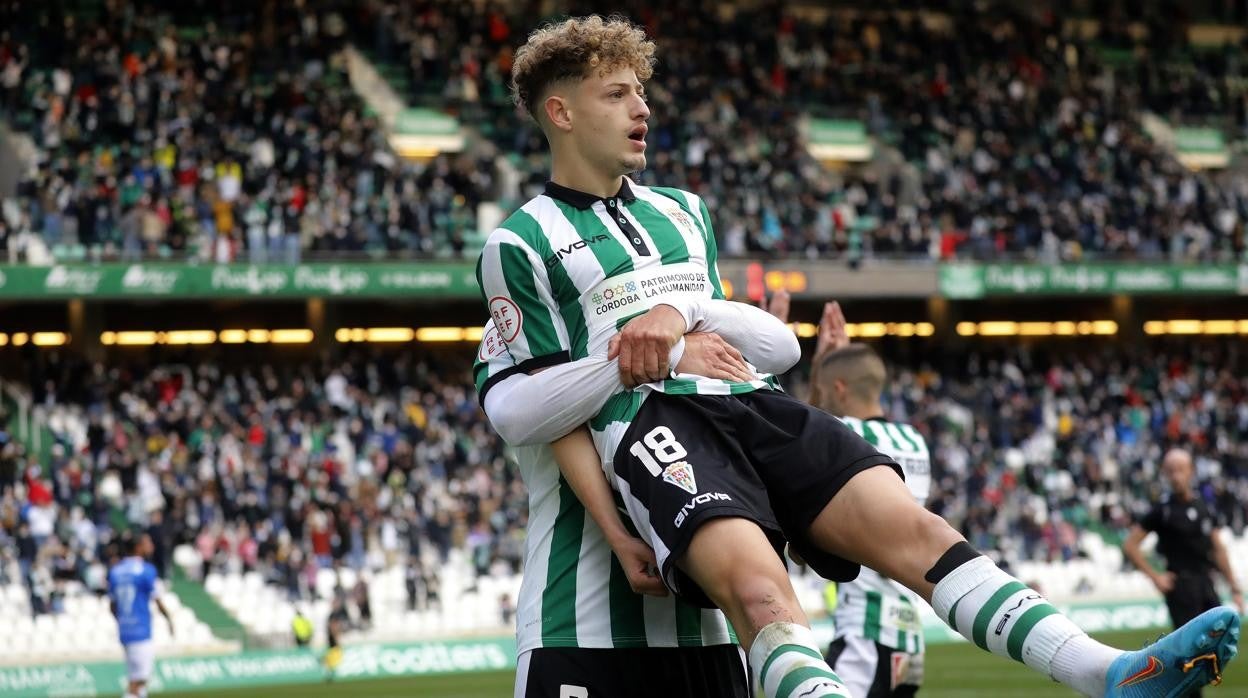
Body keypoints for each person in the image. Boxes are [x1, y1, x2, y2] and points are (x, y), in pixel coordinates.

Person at [477, 14, 1240, 698]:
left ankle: (1106, 672)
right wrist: (646, 359)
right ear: (562, 112)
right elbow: (522, 409)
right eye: (617, 95)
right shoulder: (521, 243)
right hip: (591, 593)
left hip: (741, 447)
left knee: (916, 530)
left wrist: (681, 319)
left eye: (641, 92)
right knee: (766, 598)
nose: (642, 108)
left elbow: (763, 342)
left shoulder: (683, 213)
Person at [475, 316, 777, 697]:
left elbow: (781, 353)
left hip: (709, 628)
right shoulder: (520, 317)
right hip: (577, 620)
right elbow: (517, 416)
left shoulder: (690, 303)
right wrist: (671, 355)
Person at [776, 297, 930, 696]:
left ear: (840, 389)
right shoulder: (914, 440)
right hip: (909, 637)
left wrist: (817, 370)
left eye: (827, 391)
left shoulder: (846, 437)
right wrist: (833, 367)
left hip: (866, 631)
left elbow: (800, 440)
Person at [1123, 448, 1244, 696]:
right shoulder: (1163, 510)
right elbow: (1131, 545)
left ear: (1191, 472)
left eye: (1180, 469)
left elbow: (1218, 549)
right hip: (1181, 587)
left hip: (1206, 584)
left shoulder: (1203, 506)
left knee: (1217, 644)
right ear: (1165, 474)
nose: (1176, 476)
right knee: (1190, 654)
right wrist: (1156, 577)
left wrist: (1234, 587)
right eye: (1171, 471)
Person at [107, 533, 173, 698]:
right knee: (139, 681)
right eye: (147, 543)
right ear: (138, 547)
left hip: (125, 631)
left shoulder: (116, 571)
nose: (151, 546)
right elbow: (157, 600)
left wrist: (123, 621)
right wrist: (169, 619)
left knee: (135, 678)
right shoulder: (146, 570)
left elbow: (112, 606)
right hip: (141, 631)